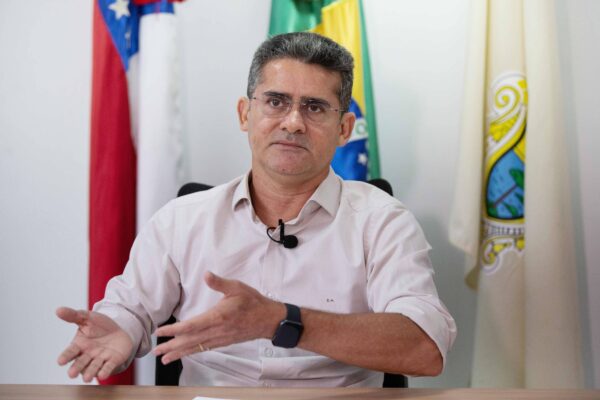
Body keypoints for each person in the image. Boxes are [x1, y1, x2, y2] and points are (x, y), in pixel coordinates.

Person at [57, 32, 456, 387]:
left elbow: (423, 347)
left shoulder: (383, 221)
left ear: (344, 129)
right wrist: (119, 329)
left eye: (315, 107)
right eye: (276, 102)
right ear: (245, 114)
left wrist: (281, 321)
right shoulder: (181, 219)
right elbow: (130, 309)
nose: (293, 123)